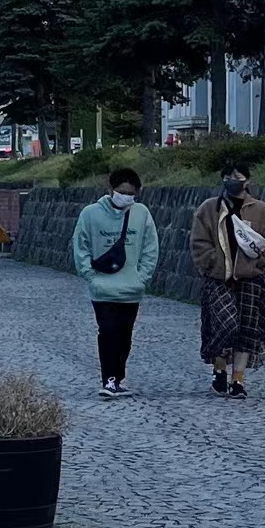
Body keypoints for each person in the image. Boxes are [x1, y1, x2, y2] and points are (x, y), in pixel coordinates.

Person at [191, 163, 265, 399]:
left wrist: (262, 262)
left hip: (250, 278)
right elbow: (198, 241)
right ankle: (219, 368)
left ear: (248, 181)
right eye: (228, 177)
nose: (233, 180)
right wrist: (210, 262)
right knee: (224, 324)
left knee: (246, 329)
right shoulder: (209, 209)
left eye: (238, 177)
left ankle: (238, 380)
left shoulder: (260, 210)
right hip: (218, 278)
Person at [71, 167, 160, 398]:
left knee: (125, 335)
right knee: (108, 331)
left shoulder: (141, 213)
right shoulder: (90, 214)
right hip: (102, 288)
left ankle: (118, 378)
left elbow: (151, 247)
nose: (126, 196)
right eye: (122, 191)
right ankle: (108, 379)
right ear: (110, 189)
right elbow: (80, 245)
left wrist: (143, 277)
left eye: (131, 193)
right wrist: (89, 275)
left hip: (132, 288)